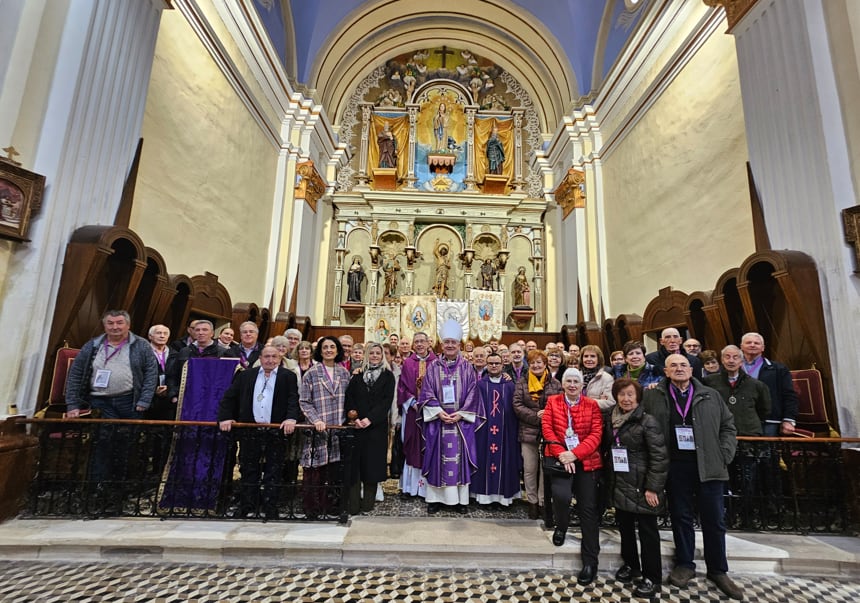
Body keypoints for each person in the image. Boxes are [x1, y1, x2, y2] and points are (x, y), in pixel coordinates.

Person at [642, 354, 742, 600]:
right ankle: (685, 564)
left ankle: (718, 569)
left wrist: (724, 454)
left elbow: (728, 426)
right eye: (673, 365)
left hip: (708, 466)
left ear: (691, 369)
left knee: (714, 520)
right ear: (665, 371)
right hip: (676, 467)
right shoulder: (653, 396)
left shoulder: (710, 395)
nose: (679, 369)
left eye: (683, 365)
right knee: (681, 517)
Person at [65, 310, 159, 499]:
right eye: (110, 323)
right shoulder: (92, 346)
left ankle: (121, 485)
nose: (115, 327)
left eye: (119, 323)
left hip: (130, 401)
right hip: (100, 401)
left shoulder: (140, 345)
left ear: (128, 325)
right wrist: (72, 404)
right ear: (104, 325)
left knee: (127, 444)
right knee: (102, 442)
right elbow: (76, 374)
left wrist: (144, 400)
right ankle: (98, 485)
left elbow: (151, 373)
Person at [217, 345, 300, 519]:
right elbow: (229, 397)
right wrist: (225, 417)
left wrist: (291, 418)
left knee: (274, 470)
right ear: (260, 358)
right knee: (248, 469)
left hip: (275, 430)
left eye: (274, 357)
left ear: (279, 359)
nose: (270, 360)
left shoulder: (288, 376)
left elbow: (293, 399)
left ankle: (270, 507)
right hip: (250, 429)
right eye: (267, 356)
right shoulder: (246, 375)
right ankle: (247, 505)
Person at [605, 378, 668, 599]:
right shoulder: (611, 418)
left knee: (648, 533)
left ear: (638, 397)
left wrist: (653, 488)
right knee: (625, 529)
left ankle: (652, 577)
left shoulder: (647, 420)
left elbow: (659, 457)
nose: (626, 399)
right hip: (621, 482)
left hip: (642, 485)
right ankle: (632, 566)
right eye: (622, 395)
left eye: (631, 394)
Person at [542, 367, 604, 586]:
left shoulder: (592, 405)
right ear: (563, 384)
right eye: (568, 381)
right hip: (560, 460)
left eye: (575, 381)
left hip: (586, 462)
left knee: (588, 508)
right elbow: (547, 428)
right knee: (561, 496)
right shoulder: (553, 402)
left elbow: (596, 434)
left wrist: (574, 455)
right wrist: (562, 454)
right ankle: (561, 526)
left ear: (581, 385)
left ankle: (590, 562)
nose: (572, 385)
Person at [418, 318, 481, 514]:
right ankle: (435, 499)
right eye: (447, 342)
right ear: (442, 344)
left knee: (458, 460)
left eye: (454, 342)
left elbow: (473, 392)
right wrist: (438, 412)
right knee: (437, 458)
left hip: (460, 424)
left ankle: (460, 501)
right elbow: (426, 392)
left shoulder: (467, 367)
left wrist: (461, 414)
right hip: (438, 422)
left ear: (459, 344)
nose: (450, 345)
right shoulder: (433, 367)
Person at [704, 345, 771, 529]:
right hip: (720, 439)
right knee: (723, 480)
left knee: (748, 481)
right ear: (722, 360)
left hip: (747, 439)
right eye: (727, 357)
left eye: (735, 357)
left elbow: (764, 410)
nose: (731, 360)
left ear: (741, 361)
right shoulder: (710, 382)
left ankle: (747, 516)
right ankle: (726, 515)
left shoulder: (756, 385)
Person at [299, 336, 352, 519]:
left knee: (333, 471)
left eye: (332, 347)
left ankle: (330, 506)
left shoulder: (344, 373)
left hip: (337, 428)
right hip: (318, 429)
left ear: (338, 350)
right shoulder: (311, 373)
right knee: (315, 471)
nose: (329, 350)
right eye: (325, 347)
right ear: (320, 351)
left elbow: (349, 400)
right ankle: (312, 508)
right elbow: (304, 402)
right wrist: (315, 420)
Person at [344, 342, 395, 514]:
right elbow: (349, 398)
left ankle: (368, 503)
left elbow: (386, 402)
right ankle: (353, 504)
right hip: (357, 428)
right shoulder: (357, 376)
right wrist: (356, 418)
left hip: (376, 428)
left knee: (372, 466)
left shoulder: (388, 376)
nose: (374, 356)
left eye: (377, 353)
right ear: (366, 355)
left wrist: (369, 419)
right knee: (355, 466)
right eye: (371, 353)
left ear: (382, 356)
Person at [512, 349, 562, 520]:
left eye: (539, 362)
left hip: (548, 433)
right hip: (528, 431)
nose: (536, 365)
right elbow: (517, 405)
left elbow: (560, 405)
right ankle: (531, 502)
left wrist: (546, 415)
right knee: (530, 469)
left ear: (545, 363)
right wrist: (535, 416)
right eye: (532, 362)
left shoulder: (555, 384)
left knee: (545, 469)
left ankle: (542, 502)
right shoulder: (522, 382)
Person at [471, 352, 519, 506]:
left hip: (505, 433)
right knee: (483, 460)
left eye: (496, 363)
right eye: (490, 363)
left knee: (505, 461)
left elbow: (514, 410)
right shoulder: (480, 385)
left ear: (502, 365)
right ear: (486, 364)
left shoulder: (510, 385)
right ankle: (483, 497)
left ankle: (503, 499)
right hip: (484, 432)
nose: (493, 366)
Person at [397, 331, 435, 499]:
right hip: (412, 412)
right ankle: (410, 488)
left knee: (429, 446)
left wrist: (430, 404)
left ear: (428, 344)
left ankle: (429, 490)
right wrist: (412, 403)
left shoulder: (436, 363)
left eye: (422, 341)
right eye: (416, 342)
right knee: (412, 446)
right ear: (413, 345)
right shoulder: (407, 363)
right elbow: (402, 387)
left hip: (432, 413)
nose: (419, 344)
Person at [739, 332, 798, 436]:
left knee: (766, 451)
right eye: (748, 342)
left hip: (769, 420)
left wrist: (788, 419)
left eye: (756, 343)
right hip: (738, 419)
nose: (752, 345)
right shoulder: (732, 369)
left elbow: (789, 394)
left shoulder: (778, 369)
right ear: (741, 347)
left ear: (763, 348)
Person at [579, 345, 615, 410]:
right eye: (586, 356)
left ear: (599, 359)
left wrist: (585, 402)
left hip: (596, 416)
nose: (589, 359)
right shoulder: (575, 376)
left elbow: (610, 402)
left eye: (593, 356)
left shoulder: (607, 378)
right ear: (582, 359)